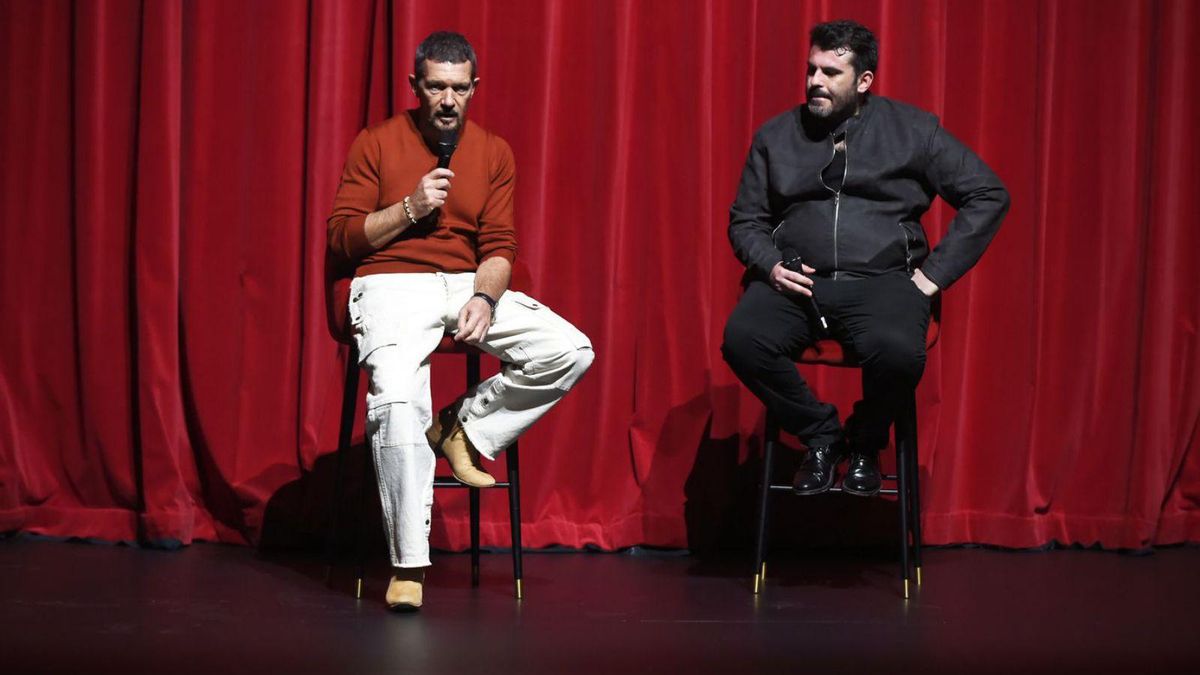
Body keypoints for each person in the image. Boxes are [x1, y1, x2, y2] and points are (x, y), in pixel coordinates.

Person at [327, 31, 593, 611]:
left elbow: (499, 244)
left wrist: (485, 298)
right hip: (390, 280)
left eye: (458, 89)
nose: (448, 100)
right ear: (416, 88)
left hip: (463, 284)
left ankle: (464, 428)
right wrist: (408, 209)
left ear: (474, 89)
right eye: (436, 87)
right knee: (397, 398)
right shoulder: (376, 143)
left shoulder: (493, 151)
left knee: (571, 349)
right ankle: (408, 566)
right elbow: (343, 237)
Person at [722, 20, 1009, 499]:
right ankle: (822, 435)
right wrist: (771, 264)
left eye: (831, 72)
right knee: (743, 340)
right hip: (798, 282)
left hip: (884, 282)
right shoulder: (775, 136)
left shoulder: (914, 130)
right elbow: (745, 220)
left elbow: (988, 193)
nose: (815, 81)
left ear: (863, 80)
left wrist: (931, 277)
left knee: (898, 352)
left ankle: (866, 442)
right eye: (811, 69)